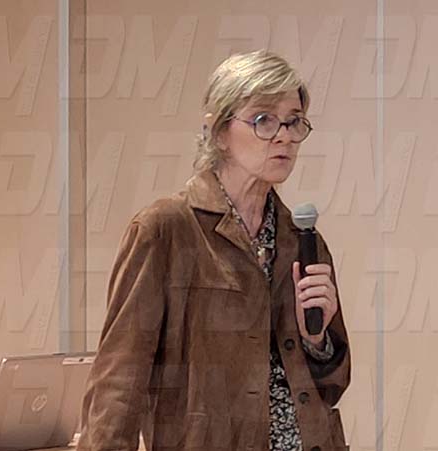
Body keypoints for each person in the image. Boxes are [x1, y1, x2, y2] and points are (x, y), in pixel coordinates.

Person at [77, 49, 351, 451]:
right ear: (219, 131)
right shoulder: (165, 231)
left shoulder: (302, 239)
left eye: (294, 121)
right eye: (264, 120)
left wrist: (317, 341)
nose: (284, 136)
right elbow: (119, 382)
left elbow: (333, 385)